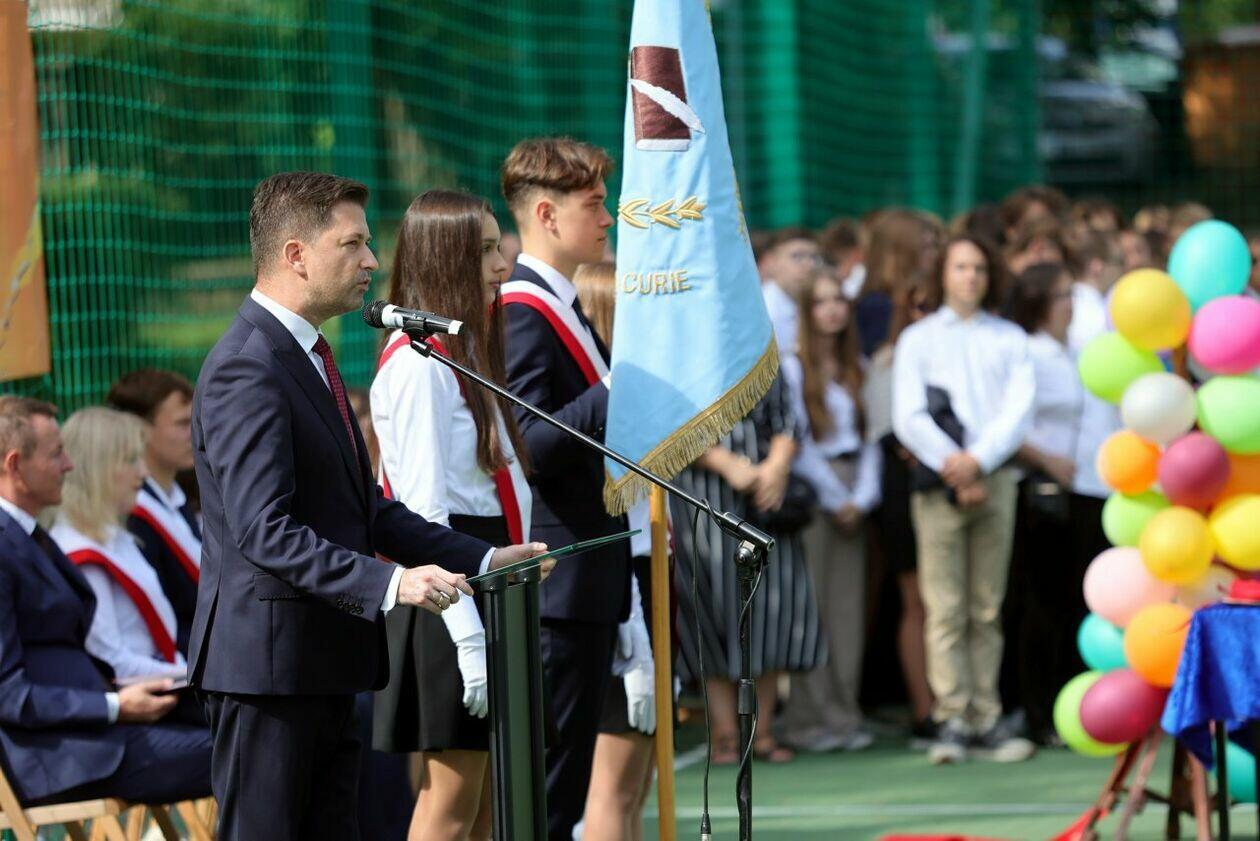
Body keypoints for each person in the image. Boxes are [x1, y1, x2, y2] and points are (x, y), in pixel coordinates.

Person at [190, 171, 547, 841]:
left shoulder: (307, 355)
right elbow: (265, 531)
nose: (372, 262)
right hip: (270, 670)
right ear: (296, 255)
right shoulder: (247, 364)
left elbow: (369, 510)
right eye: (352, 244)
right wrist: (393, 582)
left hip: (323, 661)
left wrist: (485, 558)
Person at [370, 189, 533, 841]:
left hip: (483, 576)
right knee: (450, 806)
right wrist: (467, 638)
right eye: (485, 250)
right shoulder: (418, 366)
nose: (502, 265)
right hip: (449, 590)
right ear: (445, 258)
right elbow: (422, 513)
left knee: (488, 805)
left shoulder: (457, 352)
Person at [498, 138, 633, 840]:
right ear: (547, 214)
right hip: (557, 581)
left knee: (566, 796)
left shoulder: (564, 302)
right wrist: (613, 386)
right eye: (594, 204)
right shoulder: (523, 309)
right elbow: (532, 446)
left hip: (588, 576)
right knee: (547, 798)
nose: (608, 218)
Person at [0, 396, 210, 807]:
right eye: (56, 454)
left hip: (97, 729)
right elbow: (8, 694)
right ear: (15, 465)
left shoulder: (26, 535)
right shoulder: (9, 544)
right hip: (65, 755)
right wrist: (113, 705)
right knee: (250, 754)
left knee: (266, 730)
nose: (69, 465)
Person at [892, 234, 1036, 765]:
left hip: (994, 480)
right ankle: (952, 716)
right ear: (943, 274)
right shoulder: (918, 339)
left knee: (987, 606)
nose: (970, 276)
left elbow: (1018, 412)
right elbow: (908, 416)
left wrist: (979, 461)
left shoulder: (1009, 337)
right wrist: (955, 465)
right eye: (960, 267)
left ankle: (986, 716)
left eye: (978, 267)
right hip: (939, 485)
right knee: (945, 606)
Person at [672, 371, 823, 766]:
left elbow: (788, 420)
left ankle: (762, 733)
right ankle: (725, 737)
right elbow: (667, 423)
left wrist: (776, 467)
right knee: (711, 616)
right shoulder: (681, 352)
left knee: (773, 614)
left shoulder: (760, 350)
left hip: (766, 499)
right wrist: (724, 462)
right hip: (703, 501)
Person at [573, 260, 661, 841]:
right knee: (615, 786)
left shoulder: (628, 399)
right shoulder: (600, 404)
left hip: (650, 571)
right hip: (621, 580)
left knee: (638, 783)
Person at [780, 272, 882, 753]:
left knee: (847, 611)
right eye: (821, 301)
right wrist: (835, 497)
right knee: (814, 608)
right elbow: (797, 441)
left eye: (839, 299)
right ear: (807, 311)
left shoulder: (858, 366)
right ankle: (808, 719)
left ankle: (844, 715)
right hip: (815, 494)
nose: (833, 309)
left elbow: (871, 439)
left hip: (855, 490)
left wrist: (862, 498)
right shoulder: (793, 367)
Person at [1005, 262, 1091, 743]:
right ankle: (1034, 710)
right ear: (1039, 303)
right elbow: (1009, 421)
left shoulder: (1071, 351)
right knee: (1040, 603)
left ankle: (1064, 705)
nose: (1070, 305)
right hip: (1039, 488)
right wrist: (1047, 459)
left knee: (1068, 600)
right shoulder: (1028, 351)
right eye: (1061, 296)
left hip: (1079, 489)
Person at [50, 407, 188, 683]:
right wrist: (193, 675)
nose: (144, 472)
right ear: (97, 468)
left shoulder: (113, 536)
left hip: (164, 678)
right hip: (146, 692)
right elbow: (110, 660)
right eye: (131, 460)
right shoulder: (78, 549)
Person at [864, 274, 936, 742]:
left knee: (953, 602)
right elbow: (888, 432)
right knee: (917, 600)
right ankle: (925, 709)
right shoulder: (887, 360)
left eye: (932, 305)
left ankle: (958, 704)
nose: (924, 315)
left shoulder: (956, 352)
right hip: (903, 485)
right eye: (917, 306)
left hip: (949, 482)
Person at [106, 369, 201, 655]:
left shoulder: (175, 497)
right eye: (182, 423)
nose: (195, 432)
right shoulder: (135, 514)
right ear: (140, 429)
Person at [855, 209, 943, 356]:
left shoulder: (928, 299)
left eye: (935, 246)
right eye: (926, 247)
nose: (935, 254)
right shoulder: (876, 307)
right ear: (900, 253)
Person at [757, 227, 822, 353]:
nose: (809, 265)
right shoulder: (764, 312)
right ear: (771, 261)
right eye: (797, 256)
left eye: (814, 257)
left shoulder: (816, 304)